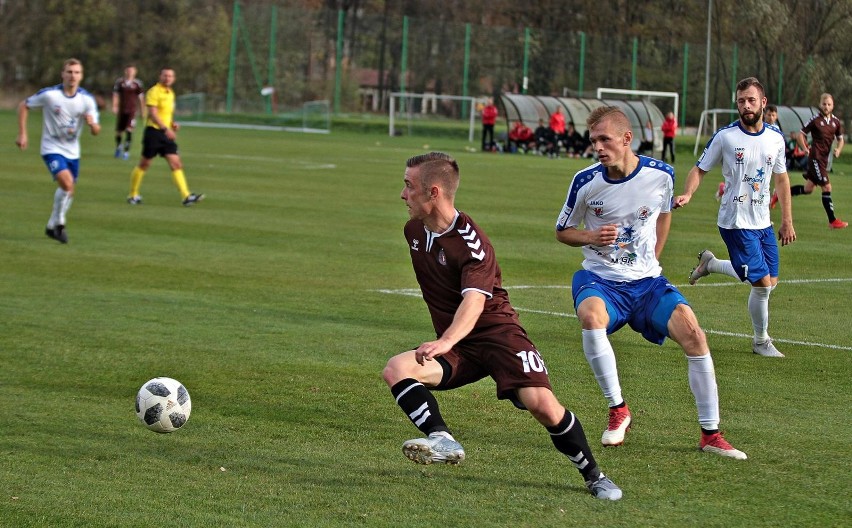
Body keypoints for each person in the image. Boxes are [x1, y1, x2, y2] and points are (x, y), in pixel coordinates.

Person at [384, 151, 622, 500]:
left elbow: (475, 301)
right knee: (397, 368)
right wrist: (450, 341)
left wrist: (446, 340)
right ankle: (442, 439)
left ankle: (594, 475)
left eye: (409, 186)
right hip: (460, 346)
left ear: (433, 192)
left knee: (541, 405)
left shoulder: (472, 243)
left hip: (499, 337)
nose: (403, 194)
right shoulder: (413, 231)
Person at [555, 106, 747, 460]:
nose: (597, 147)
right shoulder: (585, 181)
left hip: (647, 284)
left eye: (604, 139)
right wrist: (591, 236)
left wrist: (655, 257)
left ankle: (711, 434)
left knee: (694, 334)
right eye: (593, 140)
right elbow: (562, 232)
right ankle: (618, 410)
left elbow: (664, 214)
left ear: (626, 139)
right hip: (601, 280)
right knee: (591, 317)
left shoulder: (662, 174)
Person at [675, 77, 796, 358]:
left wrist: (787, 219)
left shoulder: (776, 138)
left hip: (763, 221)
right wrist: (688, 193)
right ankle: (760, 341)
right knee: (762, 285)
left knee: (770, 281)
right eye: (741, 101)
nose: (746, 106)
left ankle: (712, 264)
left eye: (751, 100)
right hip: (735, 221)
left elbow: (781, 179)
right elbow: (699, 169)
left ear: (763, 102)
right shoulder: (726, 136)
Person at [16, 58, 101, 244]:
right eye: (69, 72)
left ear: (81, 76)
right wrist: (23, 134)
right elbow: (24, 105)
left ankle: (50, 226)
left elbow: (96, 131)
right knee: (67, 183)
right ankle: (60, 223)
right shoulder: (50, 95)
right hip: (51, 148)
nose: (73, 76)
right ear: (62, 74)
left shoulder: (87, 100)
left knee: (68, 191)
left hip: (73, 151)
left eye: (76, 72)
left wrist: (92, 124)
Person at [127, 67, 204, 206]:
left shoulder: (170, 93)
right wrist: (165, 129)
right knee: (144, 164)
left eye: (170, 76)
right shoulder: (154, 91)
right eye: (165, 75)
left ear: (173, 79)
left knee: (176, 163)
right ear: (160, 76)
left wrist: (172, 124)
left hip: (166, 133)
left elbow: (166, 114)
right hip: (154, 132)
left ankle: (186, 196)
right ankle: (133, 194)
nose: (167, 78)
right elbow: (153, 114)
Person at [775, 93, 846, 228]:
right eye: (824, 104)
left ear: (833, 106)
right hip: (816, 158)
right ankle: (832, 221)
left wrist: (838, 149)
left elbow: (841, 139)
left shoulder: (836, 122)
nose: (826, 106)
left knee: (808, 189)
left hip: (823, 160)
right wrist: (805, 148)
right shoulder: (815, 120)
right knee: (827, 187)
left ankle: (778, 194)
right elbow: (800, 135)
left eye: (829, 104)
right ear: (820, 105)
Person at [112, 64, 145, 160]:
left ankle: (126, 151)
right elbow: (115, 95)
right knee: (119, 131)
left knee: (129, 130)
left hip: (132, 111)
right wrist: (114, 106)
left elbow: (141, 98)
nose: (130, 72)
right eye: (128, 70)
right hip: (122, 110)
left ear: (135, 72)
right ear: (125, 71)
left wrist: (142, 111)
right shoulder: (120, 82)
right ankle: (118, 147)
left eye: (132, 71)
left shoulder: (137, 84)